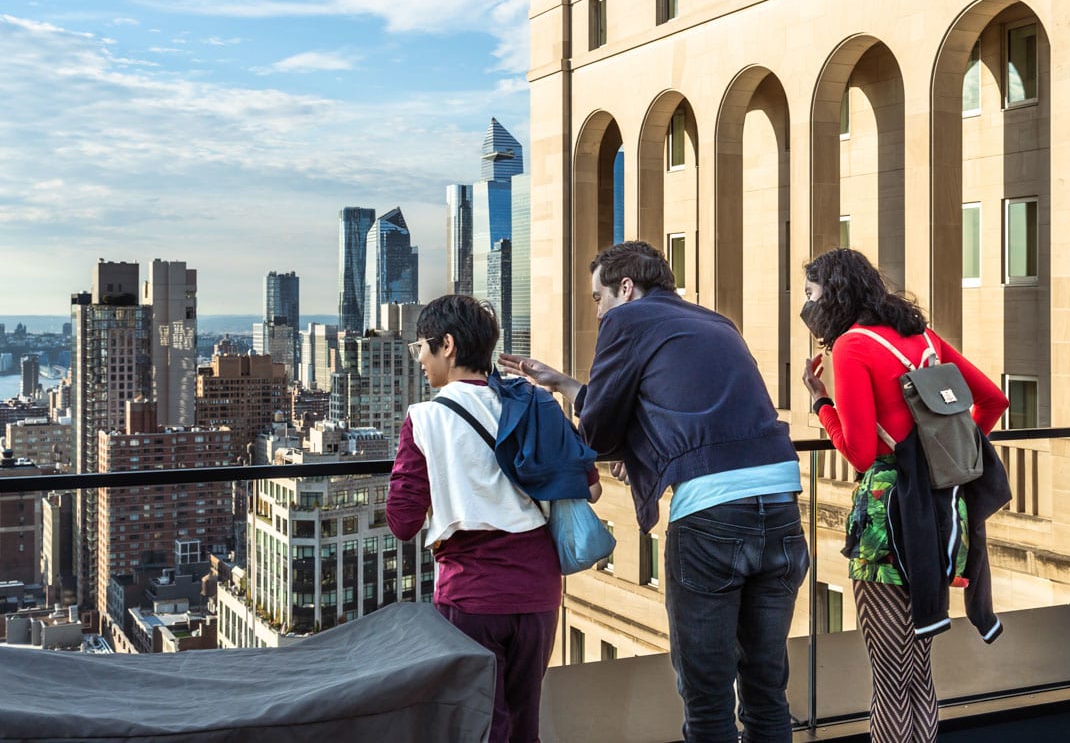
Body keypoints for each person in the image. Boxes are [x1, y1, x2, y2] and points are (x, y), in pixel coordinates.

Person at [498, 240, 809, 743]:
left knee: (708, 698)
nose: (597, 311)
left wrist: (593, 417)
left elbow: (598, 430)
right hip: (780, 504)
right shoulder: (715, 322)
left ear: (626, 287)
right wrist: (564, 383)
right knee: (766, 690)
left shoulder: (627, 320)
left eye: (598, 298)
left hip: (713, 515)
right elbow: (683, 410)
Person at [800, 248, 1008, 743]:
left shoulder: (851, 347)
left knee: (890, 685)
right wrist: (943, 460)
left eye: (810, 295)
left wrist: (821, 403)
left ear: (833, 294)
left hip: (887, 521)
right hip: (941, 512)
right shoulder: (923, 338)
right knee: (918, 676)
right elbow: (993, 400)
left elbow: (860, 452)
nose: (806, 306)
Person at [386, 294, 600, 743]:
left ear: (446, 345)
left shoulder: (425, 419)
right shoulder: (536, 406)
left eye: (420, 347)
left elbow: (402, 521)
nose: (419, 359)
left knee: (480, 725)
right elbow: (591, 486)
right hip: (539, 589)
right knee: (525, 723)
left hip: (472, 593)